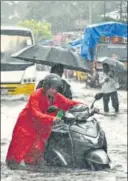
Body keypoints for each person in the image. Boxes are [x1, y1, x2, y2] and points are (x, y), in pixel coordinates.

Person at [6, 73, 83, 169]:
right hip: (27, 125)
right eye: (52, 88)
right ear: (46, 86)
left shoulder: (57, 96)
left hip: (43, 126)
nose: (54, 91)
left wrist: (85, 107)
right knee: (18, 151)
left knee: (37, 153)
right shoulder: (35, 95)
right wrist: (53, 119)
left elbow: (70, 103)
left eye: (56, 88)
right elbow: (36, 113)